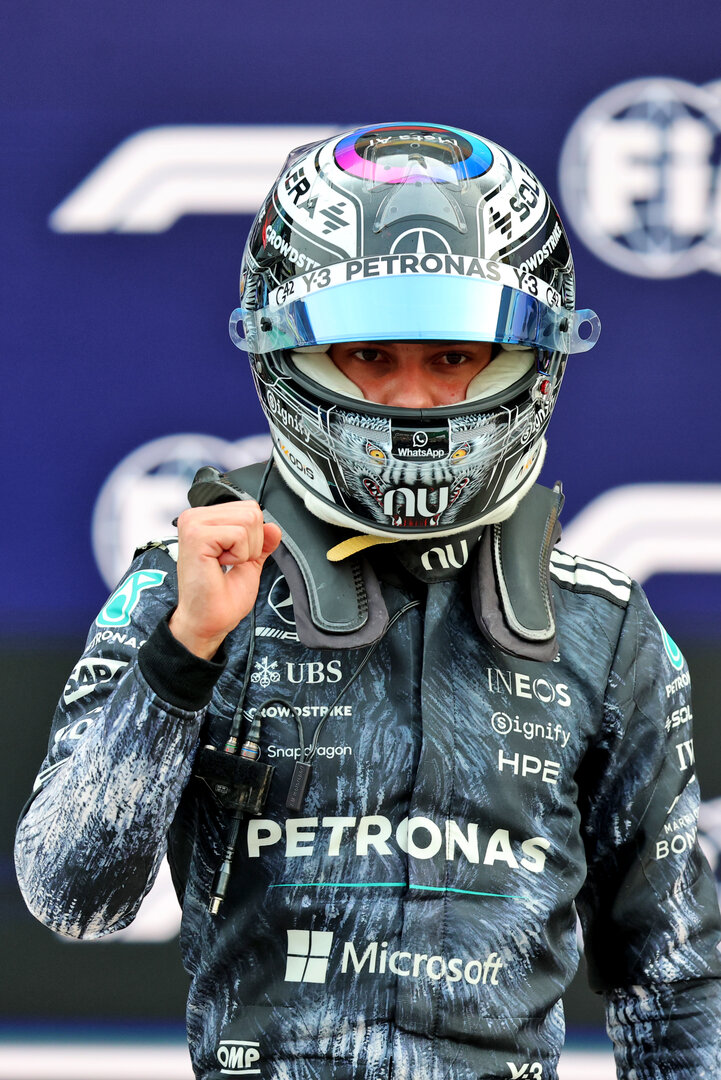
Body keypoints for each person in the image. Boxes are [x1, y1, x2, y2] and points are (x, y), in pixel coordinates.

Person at [15, 123, 721, 1079]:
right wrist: (184, 655)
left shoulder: (602, 628)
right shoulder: (187, 591)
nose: (415, 400)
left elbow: (676, 980)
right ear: (285, 350)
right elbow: (72, 897)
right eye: (371, 356)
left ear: (533, 357)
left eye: (453, 357)